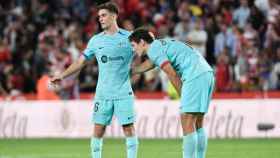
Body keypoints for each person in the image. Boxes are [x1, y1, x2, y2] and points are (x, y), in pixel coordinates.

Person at [50, 3, 138, 158]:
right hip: (103, 94)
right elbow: (80, 62)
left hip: (124, 92)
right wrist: (62, 75)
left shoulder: (129, 38)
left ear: (114, 15)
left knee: (128, 128)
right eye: (99, 17)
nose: (100, 19)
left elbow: (147, 52)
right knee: (98, 130)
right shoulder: (95, 41)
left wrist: (140, 70)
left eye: (103, 15)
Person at [129, 29, 215, 158]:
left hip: (194, 75)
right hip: (206, 73)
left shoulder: (153, 49)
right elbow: (151, 63)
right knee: (198, 122)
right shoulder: (160, 45)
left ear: (142, 42)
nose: (133, 50)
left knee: (186, 119)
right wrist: (132, 70)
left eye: (133, 46)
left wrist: (183, 96)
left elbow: (172, 74)